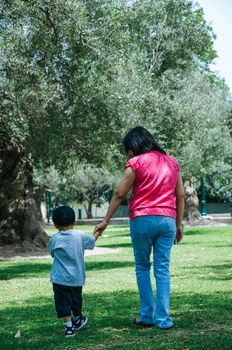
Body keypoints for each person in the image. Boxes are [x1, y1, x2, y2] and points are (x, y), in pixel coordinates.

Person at [93, 126, 185, 330]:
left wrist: (105, 220)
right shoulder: (172, 162)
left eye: (128, 149)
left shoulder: (135, 163)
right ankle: (163, 320)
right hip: (167, 220)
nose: (128, 153)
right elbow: (180, 196)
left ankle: (147, 316)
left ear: (133, 147)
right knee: (162, 270)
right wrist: (178, 224)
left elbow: (119, 194)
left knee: (143, 267)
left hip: (142, 219)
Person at [48, 205, 100, 338]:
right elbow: (92, 242)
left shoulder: (54, 239)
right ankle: (77, 318)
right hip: (76, 278)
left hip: (59, 278)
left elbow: (52, 253)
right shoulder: (80, 235)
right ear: (74, 222)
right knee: (76, 300)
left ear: (55, 224)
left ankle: (69, 329)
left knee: (63, 302)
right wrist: (98, 231)